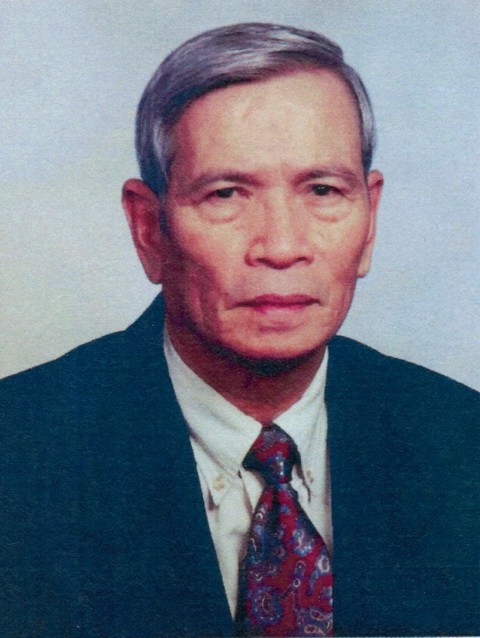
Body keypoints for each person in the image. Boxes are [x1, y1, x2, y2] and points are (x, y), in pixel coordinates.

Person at [0, 22, 478, 638]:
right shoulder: (19, 456)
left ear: (370, 217)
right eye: (226, 194)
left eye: (323, 190)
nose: (280, 246)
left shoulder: (462, 443)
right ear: (149, 229)